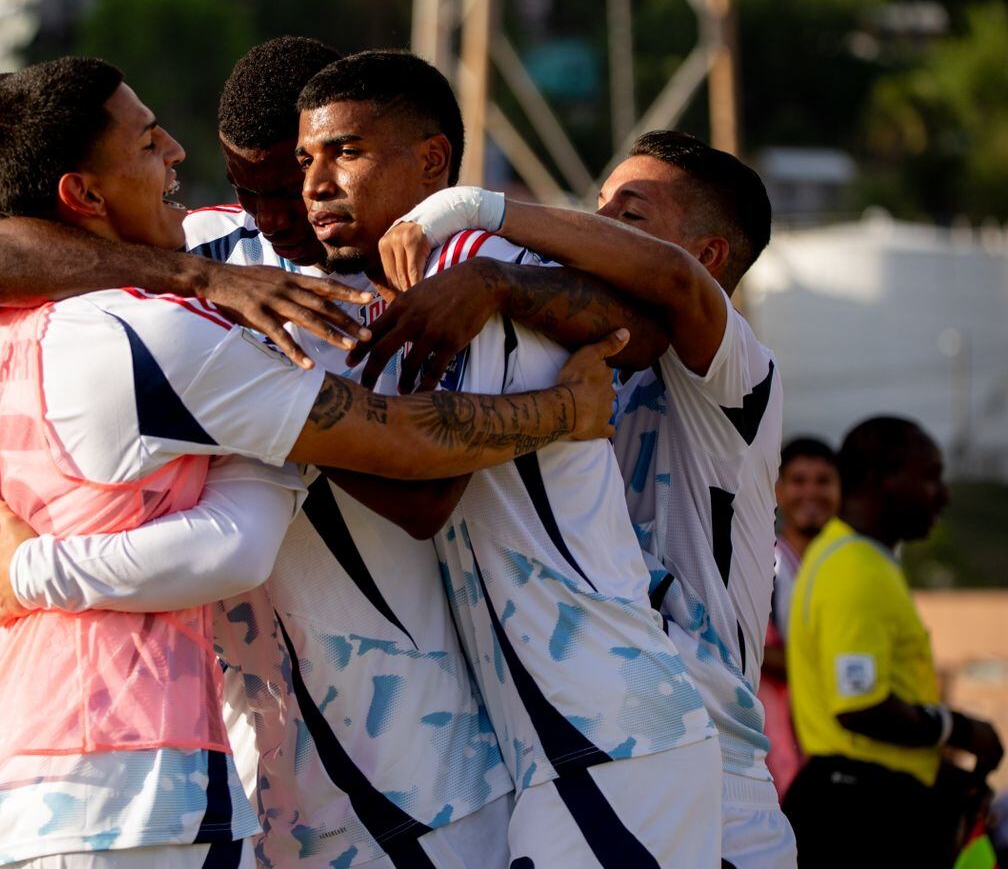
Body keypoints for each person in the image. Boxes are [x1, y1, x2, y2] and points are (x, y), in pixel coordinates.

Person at [0, 55, 622, 869]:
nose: (175, 155)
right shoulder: (162, 326)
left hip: (15, 786)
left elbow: (245, 531)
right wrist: (565, 413)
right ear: (83, 195)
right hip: (135, 784)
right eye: (149, 143)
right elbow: (401, 451)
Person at [288, 51, 720, 866]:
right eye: (306, 159)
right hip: (558, 742)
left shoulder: (468, 262)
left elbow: (429, 496)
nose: (316, 183)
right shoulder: (416, 290)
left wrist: (257, 415)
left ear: (431, 162)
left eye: (346, 152)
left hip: (610, 728)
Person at [382, 128, 794, 867]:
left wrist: (471, 211)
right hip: (579, 746)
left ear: (705, 257)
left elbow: (672, 286)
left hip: (709, 773)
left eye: (628, 216)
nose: (592, 228)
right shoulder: (573, 351)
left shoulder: (738, 374)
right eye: (596, 206)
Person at [784, 416, 1004, 867]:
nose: (942, 494)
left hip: (866, 799)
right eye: (930, 477)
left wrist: (939, 771)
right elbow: (860, 705)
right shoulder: (854, 567)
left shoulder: (860, 558)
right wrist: (963, 730)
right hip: (861, 814)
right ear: (881, 480)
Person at [760, 436, 840, 798]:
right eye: (798, 480)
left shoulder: (849, 564)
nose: (811, 492)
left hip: (834, 729)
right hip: (778, 736)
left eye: (823, 481)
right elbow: (751, 648)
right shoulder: (764, 562)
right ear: (778, 490)